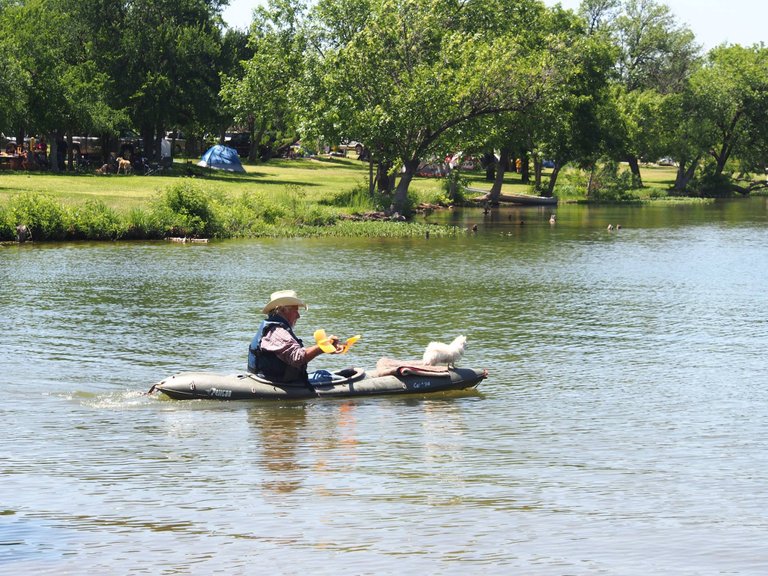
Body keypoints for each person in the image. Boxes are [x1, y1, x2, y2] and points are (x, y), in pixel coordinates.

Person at [248, 290, 343, 384]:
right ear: (284, 310)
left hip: (272, 378)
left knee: (323, 374)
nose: (298, 316)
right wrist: (323, 347)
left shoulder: (275, 329)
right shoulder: (278, 332)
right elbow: (298, 358)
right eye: (296, 310)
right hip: (276, 382)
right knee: (333, 378)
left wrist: (327, 347)